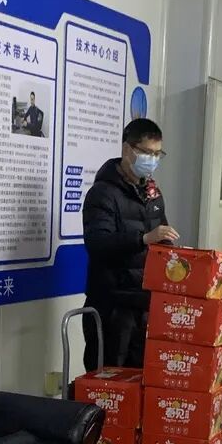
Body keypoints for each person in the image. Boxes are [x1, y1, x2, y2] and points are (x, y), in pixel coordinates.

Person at [82, 119, 177, 371]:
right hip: (112, 304)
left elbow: (162, 236)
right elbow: (97, 243)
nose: (152, 160)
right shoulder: (102, 193)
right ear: (127, 149)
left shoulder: (153, 193)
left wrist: (174, 253)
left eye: (157, 154)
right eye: (147, 152)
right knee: (109, 377)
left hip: (144, 302)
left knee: (140, 377)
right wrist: (142, 238)